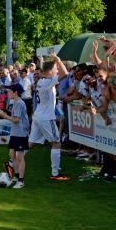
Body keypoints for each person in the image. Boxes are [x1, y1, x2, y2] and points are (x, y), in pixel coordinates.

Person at [29, 52, 69, 180]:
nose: (57, 71)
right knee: (56, 143)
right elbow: (65, 74)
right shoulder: (47, 81)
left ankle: (12, 162)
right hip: (46, 118)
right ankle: (55, 173)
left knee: (32, 143)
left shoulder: (41, 81)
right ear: (50, 70)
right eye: (55, 69)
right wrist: (58, 59)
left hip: (38, 116)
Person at [0, 83, 30, 189]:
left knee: (20, 157)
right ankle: (16, 177)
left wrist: (4, 116)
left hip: (21, 133)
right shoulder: (16, 102)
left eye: (9, 91)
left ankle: (21, 181)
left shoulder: (19, 103)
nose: (8, 93)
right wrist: (5, 113)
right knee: (12, 154)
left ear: (15, 92)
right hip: (15, 133)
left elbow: (16, 120)